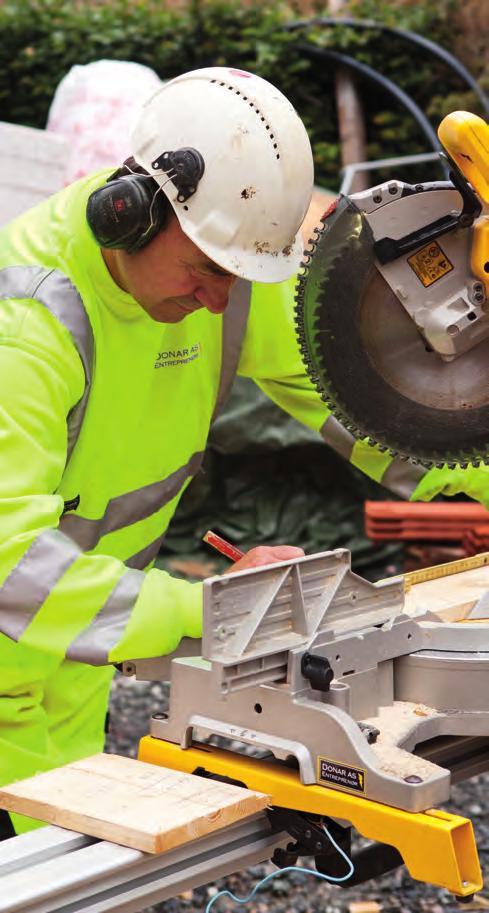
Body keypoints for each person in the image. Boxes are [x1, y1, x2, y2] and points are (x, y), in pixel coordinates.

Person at [0, 66, 485, 841]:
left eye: (238, 276)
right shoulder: (27, 325)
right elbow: (12, 570)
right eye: (207, 272)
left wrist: (481, 479)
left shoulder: (218, 278)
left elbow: (361, 410)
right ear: (128, 214)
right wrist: (218, 611)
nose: (222, 300)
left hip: (73, 674)